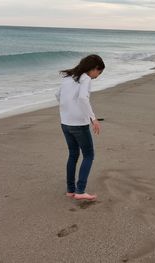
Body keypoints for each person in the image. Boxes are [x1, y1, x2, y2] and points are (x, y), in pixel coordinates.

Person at [55, 54, 105, 201]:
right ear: (94, 68)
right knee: (89, 155)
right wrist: (93, 118)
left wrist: (68, 109)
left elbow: (57, 95)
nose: (98, 76)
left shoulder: (67, 77)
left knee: (73, 154)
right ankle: (80, 190)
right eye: (99, 72)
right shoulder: (86, 78)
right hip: (79, 124)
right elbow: (83, 98)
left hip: (65, 123)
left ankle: (71, 190)